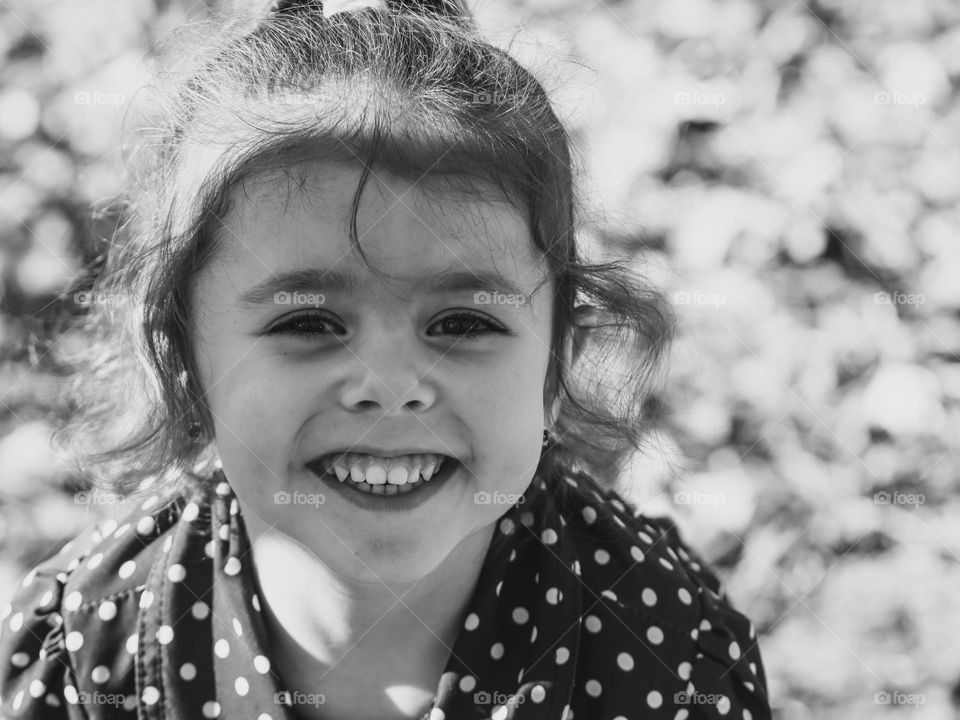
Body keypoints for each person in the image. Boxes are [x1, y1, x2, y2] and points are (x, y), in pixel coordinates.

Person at [0, 0, 772, 717]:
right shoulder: (84, 652)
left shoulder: (665, 656)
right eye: (309, 321)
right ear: (182, 363)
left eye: (462, 323)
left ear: (556, 362)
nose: (391, 387)